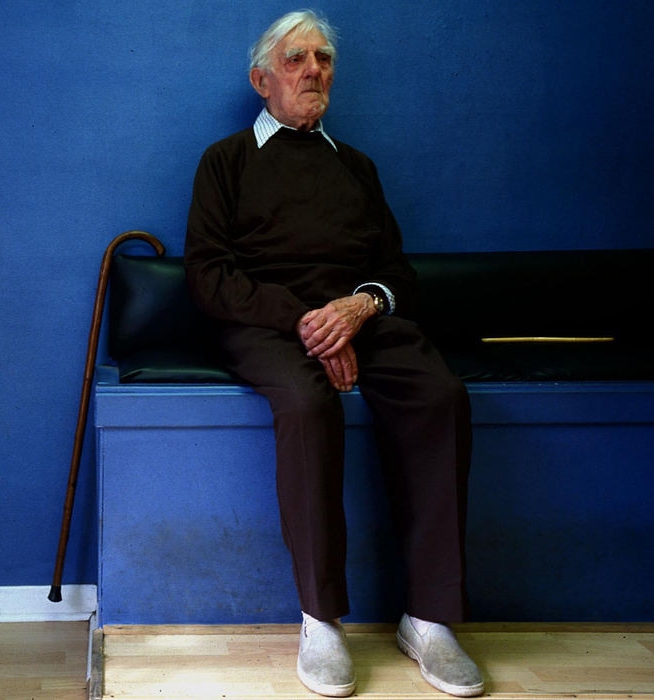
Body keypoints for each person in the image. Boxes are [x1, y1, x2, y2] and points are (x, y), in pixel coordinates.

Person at [183, 9, 484, 698]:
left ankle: (429, 617)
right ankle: (320, 619)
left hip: (359, 323)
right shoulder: (224, 161)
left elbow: (396, 275)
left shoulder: (356, 167)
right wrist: (306, 324)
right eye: (295, 60)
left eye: (323, 60)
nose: (313, 71)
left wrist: (357, 309)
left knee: (439, 394)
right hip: (263, 326)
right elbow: (208, 276)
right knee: (304, 402)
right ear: (262, 80)